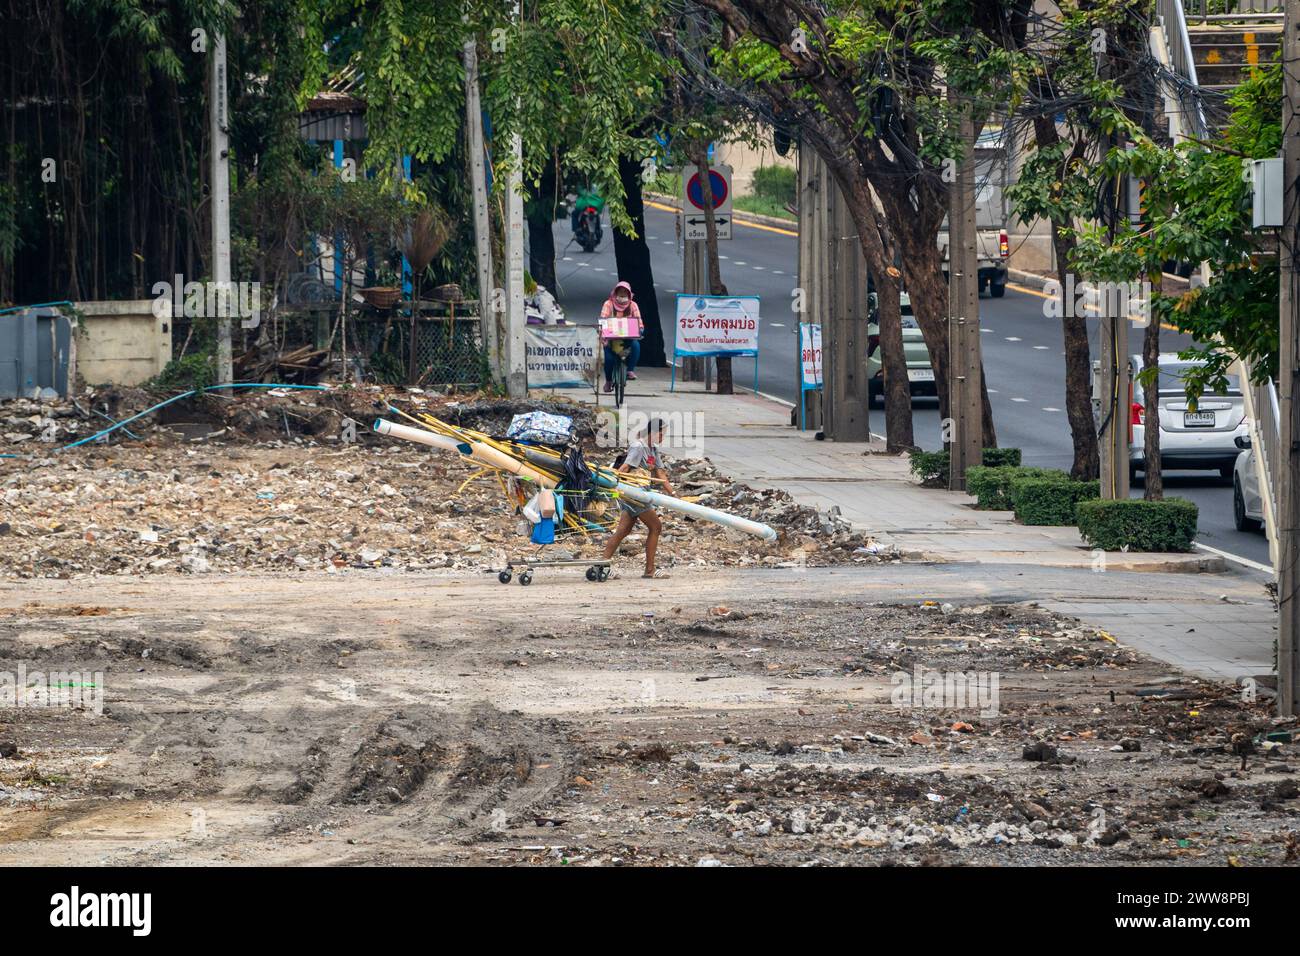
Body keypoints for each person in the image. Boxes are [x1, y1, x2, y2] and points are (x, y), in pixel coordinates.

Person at [602, 417, 674, 578]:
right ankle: (649, 570)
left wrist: (674, 495)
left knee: (623, 530)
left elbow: (660, 473)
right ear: (653, 432)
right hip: (635, 493)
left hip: (640, 493)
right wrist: (613, 484)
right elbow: (626, 466)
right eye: (662, 434)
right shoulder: (638, 446)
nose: (663, 437)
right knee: (656, 527)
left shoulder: (653, 449)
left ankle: (602, 565)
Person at [600, 280, 643, 392]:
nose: (622, 294)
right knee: (608, 360)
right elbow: (603, 319)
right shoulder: (608, 304)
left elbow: (639, 321)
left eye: (625, 292)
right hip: (611, 339)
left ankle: (630, 370)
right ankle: (609, 381)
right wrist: (603, 332)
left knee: (636, 345)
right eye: (620, 292)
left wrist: (640, 329)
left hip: (627, 339)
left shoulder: (633, 305)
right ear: (615, 293)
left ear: (629, 294)